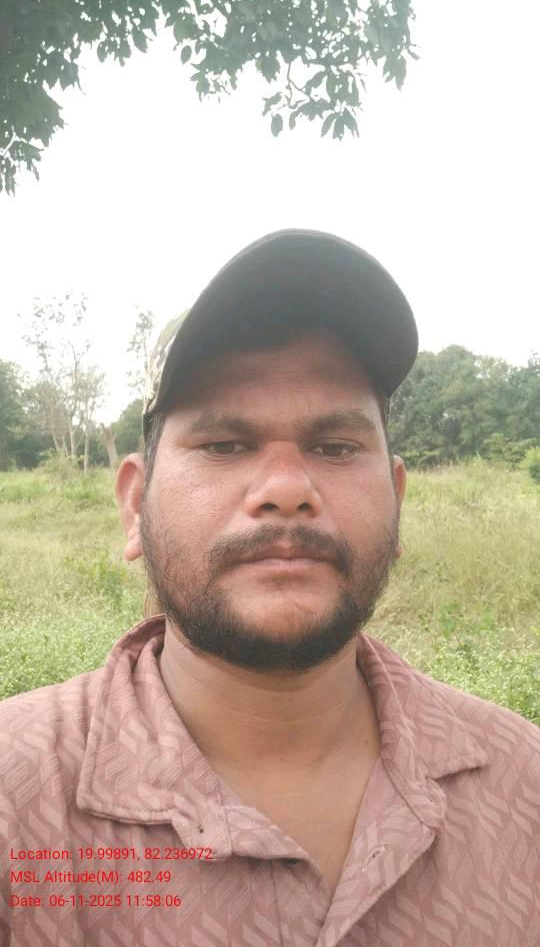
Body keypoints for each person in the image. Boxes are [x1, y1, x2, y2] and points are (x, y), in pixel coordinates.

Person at [0, 229, 538, 946]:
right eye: (225, 445)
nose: (287, 488)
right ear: (135, 507)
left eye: (335, 447)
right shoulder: (15, 798)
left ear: (397, 501)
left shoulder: (524, 783)